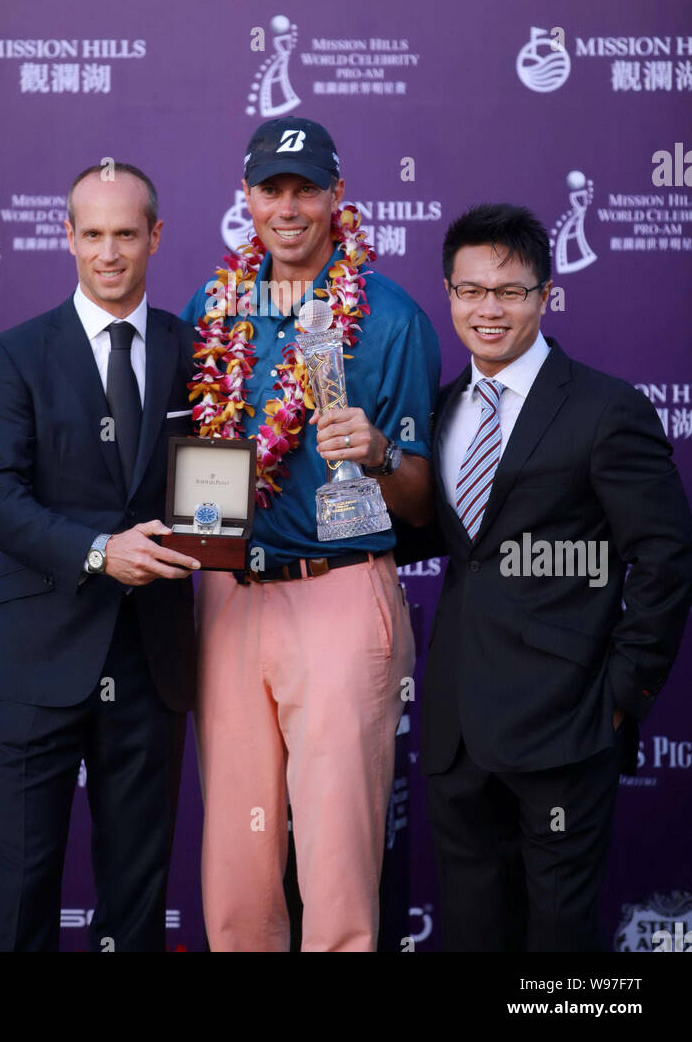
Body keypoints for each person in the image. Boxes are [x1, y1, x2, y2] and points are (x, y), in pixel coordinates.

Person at [180, 117, 441, 951]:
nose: (287, 207)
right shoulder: (210, 306)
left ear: (337, 196)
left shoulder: (391, 317)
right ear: (247, 198)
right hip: (228, 594)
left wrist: (378, 451)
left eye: (306, 189)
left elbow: (424, 501)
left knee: (336, 864)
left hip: (336, 589)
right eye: (271, 189)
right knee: (235, 868)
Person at [419, 202, 692, 952]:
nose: (489, 309)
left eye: (510, 291)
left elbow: (667, 554)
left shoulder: (607, 409)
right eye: (471, 290)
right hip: (457, 731)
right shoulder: (442, 409)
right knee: (473, 933)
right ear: (448, 294)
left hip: (566, 728)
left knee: (559, 945)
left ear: (545, 295)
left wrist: (622, 694)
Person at [0, 162, 200, 952]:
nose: (110, 252)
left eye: (126, 233)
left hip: (151, 660)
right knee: (22, 897)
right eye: (93, 234)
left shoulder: (199, 352)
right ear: (68, 238)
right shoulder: (11, 356)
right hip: (34, 661)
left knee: (137, 896)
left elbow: (218, 481)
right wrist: (97, 551)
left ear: (155, 236)